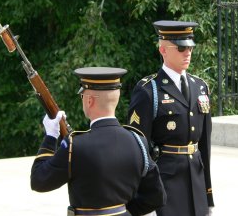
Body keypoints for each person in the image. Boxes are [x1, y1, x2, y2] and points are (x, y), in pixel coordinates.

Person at [30, 67, 166, 216]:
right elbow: (156, 197)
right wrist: (122, 212)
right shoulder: (138, 141)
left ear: (89, 100)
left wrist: (50, 137)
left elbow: (39, 180)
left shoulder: (76, 145)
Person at [128, 21, 214, 216]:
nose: (188, 52)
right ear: (163, 50)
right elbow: (138, 148)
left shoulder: (200, 87)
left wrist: (208, 193)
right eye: (181, 47)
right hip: (165, 181)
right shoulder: (149, 90)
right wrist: (142, 196)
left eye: (190, 47)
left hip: (197, 180)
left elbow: (204, 146)